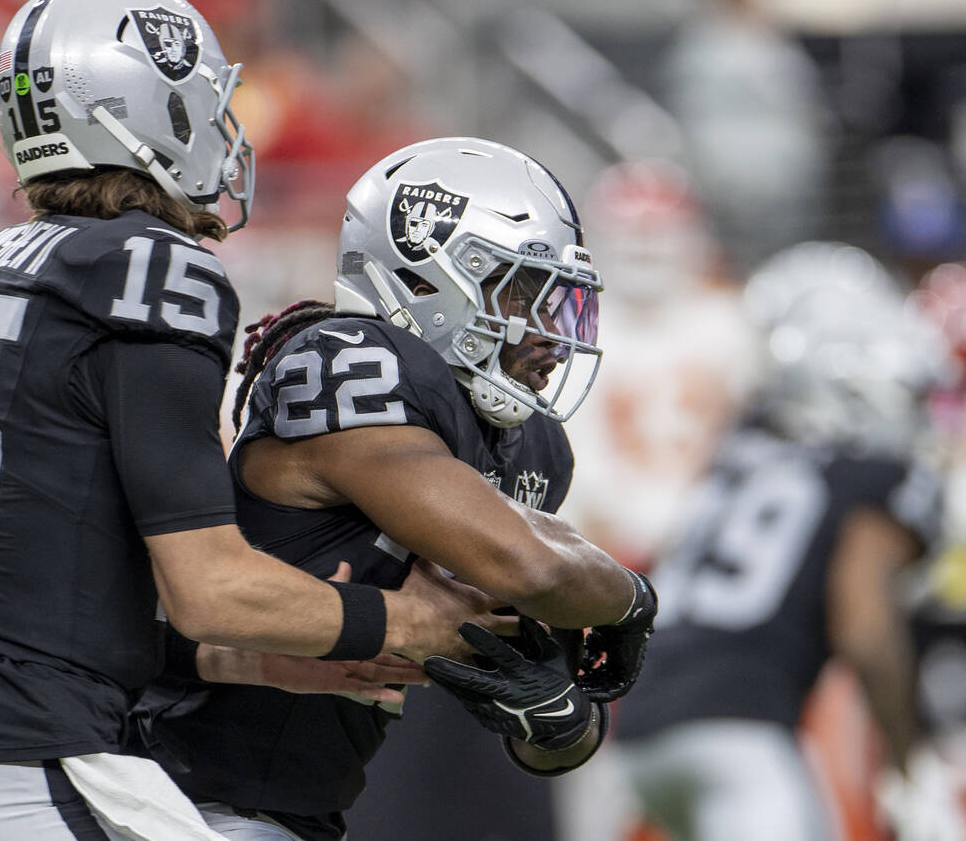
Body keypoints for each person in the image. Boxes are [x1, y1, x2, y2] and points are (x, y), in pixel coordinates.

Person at [0, 0, 504, 841]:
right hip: (3, 753)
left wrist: (277, 661)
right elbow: (209, 587)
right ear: (144, 110)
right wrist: (404, 619)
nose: (222, 133)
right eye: (205, 107)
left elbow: (62, 585)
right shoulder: (156, 270)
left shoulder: (6, 258)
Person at [131, 137, 657, 841]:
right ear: (429, 278)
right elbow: (531, 565)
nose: (551, 336)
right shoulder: (347, 360)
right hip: (166, 788)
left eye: (558, 304)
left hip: (297, 808)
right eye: (525, 294)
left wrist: (556, 718)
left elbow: (554, 730)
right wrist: (633, 598)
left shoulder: (528, 447)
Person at [612, 242, 946, 841]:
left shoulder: (739, 453)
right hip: (739, 731)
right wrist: (911, 760)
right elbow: (865, 626)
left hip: (639, 729)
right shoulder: (871, 473)